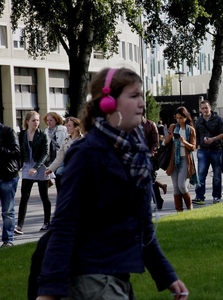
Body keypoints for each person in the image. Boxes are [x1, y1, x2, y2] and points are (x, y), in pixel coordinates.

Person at [36, 68, 188, 300]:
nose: (142, 104)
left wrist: (167, 275)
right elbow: (64, 225)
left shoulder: (136, 155)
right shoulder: (86, 154)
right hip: (91, 277)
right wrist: (49, 292)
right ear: (108, 103)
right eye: (134, 96)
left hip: (118, 278)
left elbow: (144, 229)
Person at [14, 111, 50, 235]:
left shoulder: (42, 135)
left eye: (38, 120)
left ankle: (47, 223)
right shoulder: (22, 134)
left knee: (44, 197)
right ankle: (19, 226)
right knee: (24, 197)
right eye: (34, 120)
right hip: (26, 167)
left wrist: (36, 167)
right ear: (27, 121)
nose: (37, 123)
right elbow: (18, 151)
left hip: (39, 167)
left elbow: (46, 153)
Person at [193, 100, 223, 205]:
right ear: (200, 109)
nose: (204, 110)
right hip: (203, 151)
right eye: (202, 108)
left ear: (210, 108)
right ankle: (199, 197)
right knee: (201, 175)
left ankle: (216, 196)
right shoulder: (198, 121)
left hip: (216, 150)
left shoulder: (218, 119)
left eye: (206, 108)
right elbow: (196, 135)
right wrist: (198, 145)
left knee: (217, 175)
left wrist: (213, 139)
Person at [164, 107, 198, 212]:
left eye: (180, 118)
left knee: (182, 185)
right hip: (174, 160)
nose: (178, 120)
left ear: (185, 117)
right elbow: (165, 143)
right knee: (175, 187)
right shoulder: (173, 127)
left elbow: (193, 147)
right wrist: (168, 138)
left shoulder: (190, 130)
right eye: (177, 118)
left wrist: (184, 141)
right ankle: (179, 211)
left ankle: (189, 207)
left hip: (185, 160)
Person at [45, 117, 83, 191]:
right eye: (66, 125)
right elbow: (59, 158)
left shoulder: (84, 140)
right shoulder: (65, 141)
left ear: (76, 128)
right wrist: (50, 169)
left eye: (69, 126)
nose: (67, 127)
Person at [0, 122, 20, 248]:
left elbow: (16, 152)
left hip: (7, 176)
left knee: (7, 210)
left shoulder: (7, 131)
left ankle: (8, 240)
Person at [141, 115, 167, 210]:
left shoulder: (150, 124)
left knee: (151, 180)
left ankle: (157, 201)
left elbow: (156, 142)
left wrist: (150, 154)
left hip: (149, 157)